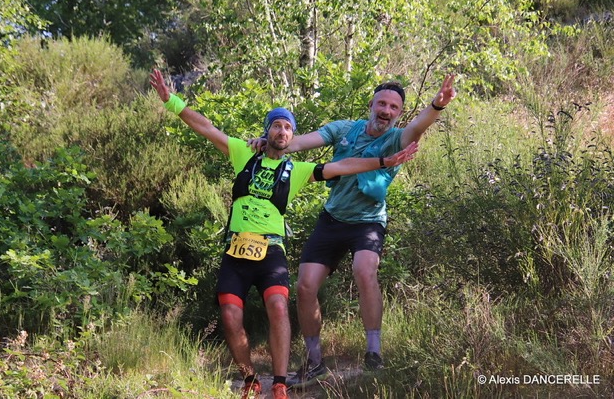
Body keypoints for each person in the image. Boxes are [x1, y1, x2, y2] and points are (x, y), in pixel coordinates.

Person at [149, 69, 419, 399]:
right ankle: (249, 378)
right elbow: (207, 128)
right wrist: (172, 102)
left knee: (278, 307)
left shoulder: (298, 169)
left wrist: (383, 161)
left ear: (292, 136)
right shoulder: (243, 153)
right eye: (276, 125)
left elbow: (343, 167)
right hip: (236, 250)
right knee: (230, 315)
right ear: (267, 131)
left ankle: (279, 382)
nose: (282, 130)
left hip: (272, 251)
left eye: (288, 127)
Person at [251, 75, 456, 388]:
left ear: (399, 113)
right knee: (305, 286)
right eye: (382, 103)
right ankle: (314, 362)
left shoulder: (397, 138)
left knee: (365, 270)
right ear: (371, 105)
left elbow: (419, 127)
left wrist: (437, 105)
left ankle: (374, 354)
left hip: (368, 222)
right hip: (332, 218)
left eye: (394, 107)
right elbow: (300, 142)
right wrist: (269, 141)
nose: (386, 110)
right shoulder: (344, 129)